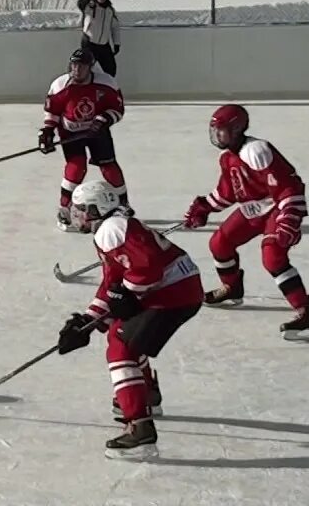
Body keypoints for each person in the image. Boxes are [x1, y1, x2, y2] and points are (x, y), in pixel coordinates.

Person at [56, 180, 203, 460]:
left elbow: (149, 270)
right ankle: (144, 394)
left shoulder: (112, 230)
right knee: (118, 334)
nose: (76, 215)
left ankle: (140, 427)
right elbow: (113, 281)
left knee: (120, 347)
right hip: (177, 289)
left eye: (81, 209)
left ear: (97, 209)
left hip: (173, 294)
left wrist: (129, 296)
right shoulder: (111, 227)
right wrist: (89, 319)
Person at [182, 104, 309, 339]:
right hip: (254, 211)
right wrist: (204, 207)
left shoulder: (256, 150)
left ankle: (306, 313)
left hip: (276, 208)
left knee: (273, 258)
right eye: (214, 130)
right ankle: (232, 287)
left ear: (237, 129)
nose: (217, 135)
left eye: (222, 130)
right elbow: (228, 193)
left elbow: (288, 185)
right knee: (219, 243)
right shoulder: (227, 157)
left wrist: (290, 217)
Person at [39, 48, 128, 231]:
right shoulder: (60, 85)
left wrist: (104, 119)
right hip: (70, 132)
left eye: (81, 66)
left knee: (109, 166)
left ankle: (123, 205)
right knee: (76, 166)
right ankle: (64, 210)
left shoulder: (106, 83)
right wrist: (48, 131)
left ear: (91, 67)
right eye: (74, 65)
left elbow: (118, 109)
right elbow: (52, 111)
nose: (76, 70)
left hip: (97, 131)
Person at [79, 0, 120, 75]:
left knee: (110, 69)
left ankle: (108, 87)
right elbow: (81, 3)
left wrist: (116, 43)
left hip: (104, 45)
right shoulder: (89, 7)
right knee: (87, 68)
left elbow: (115, 27)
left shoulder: (110, 10)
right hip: (89, 44)